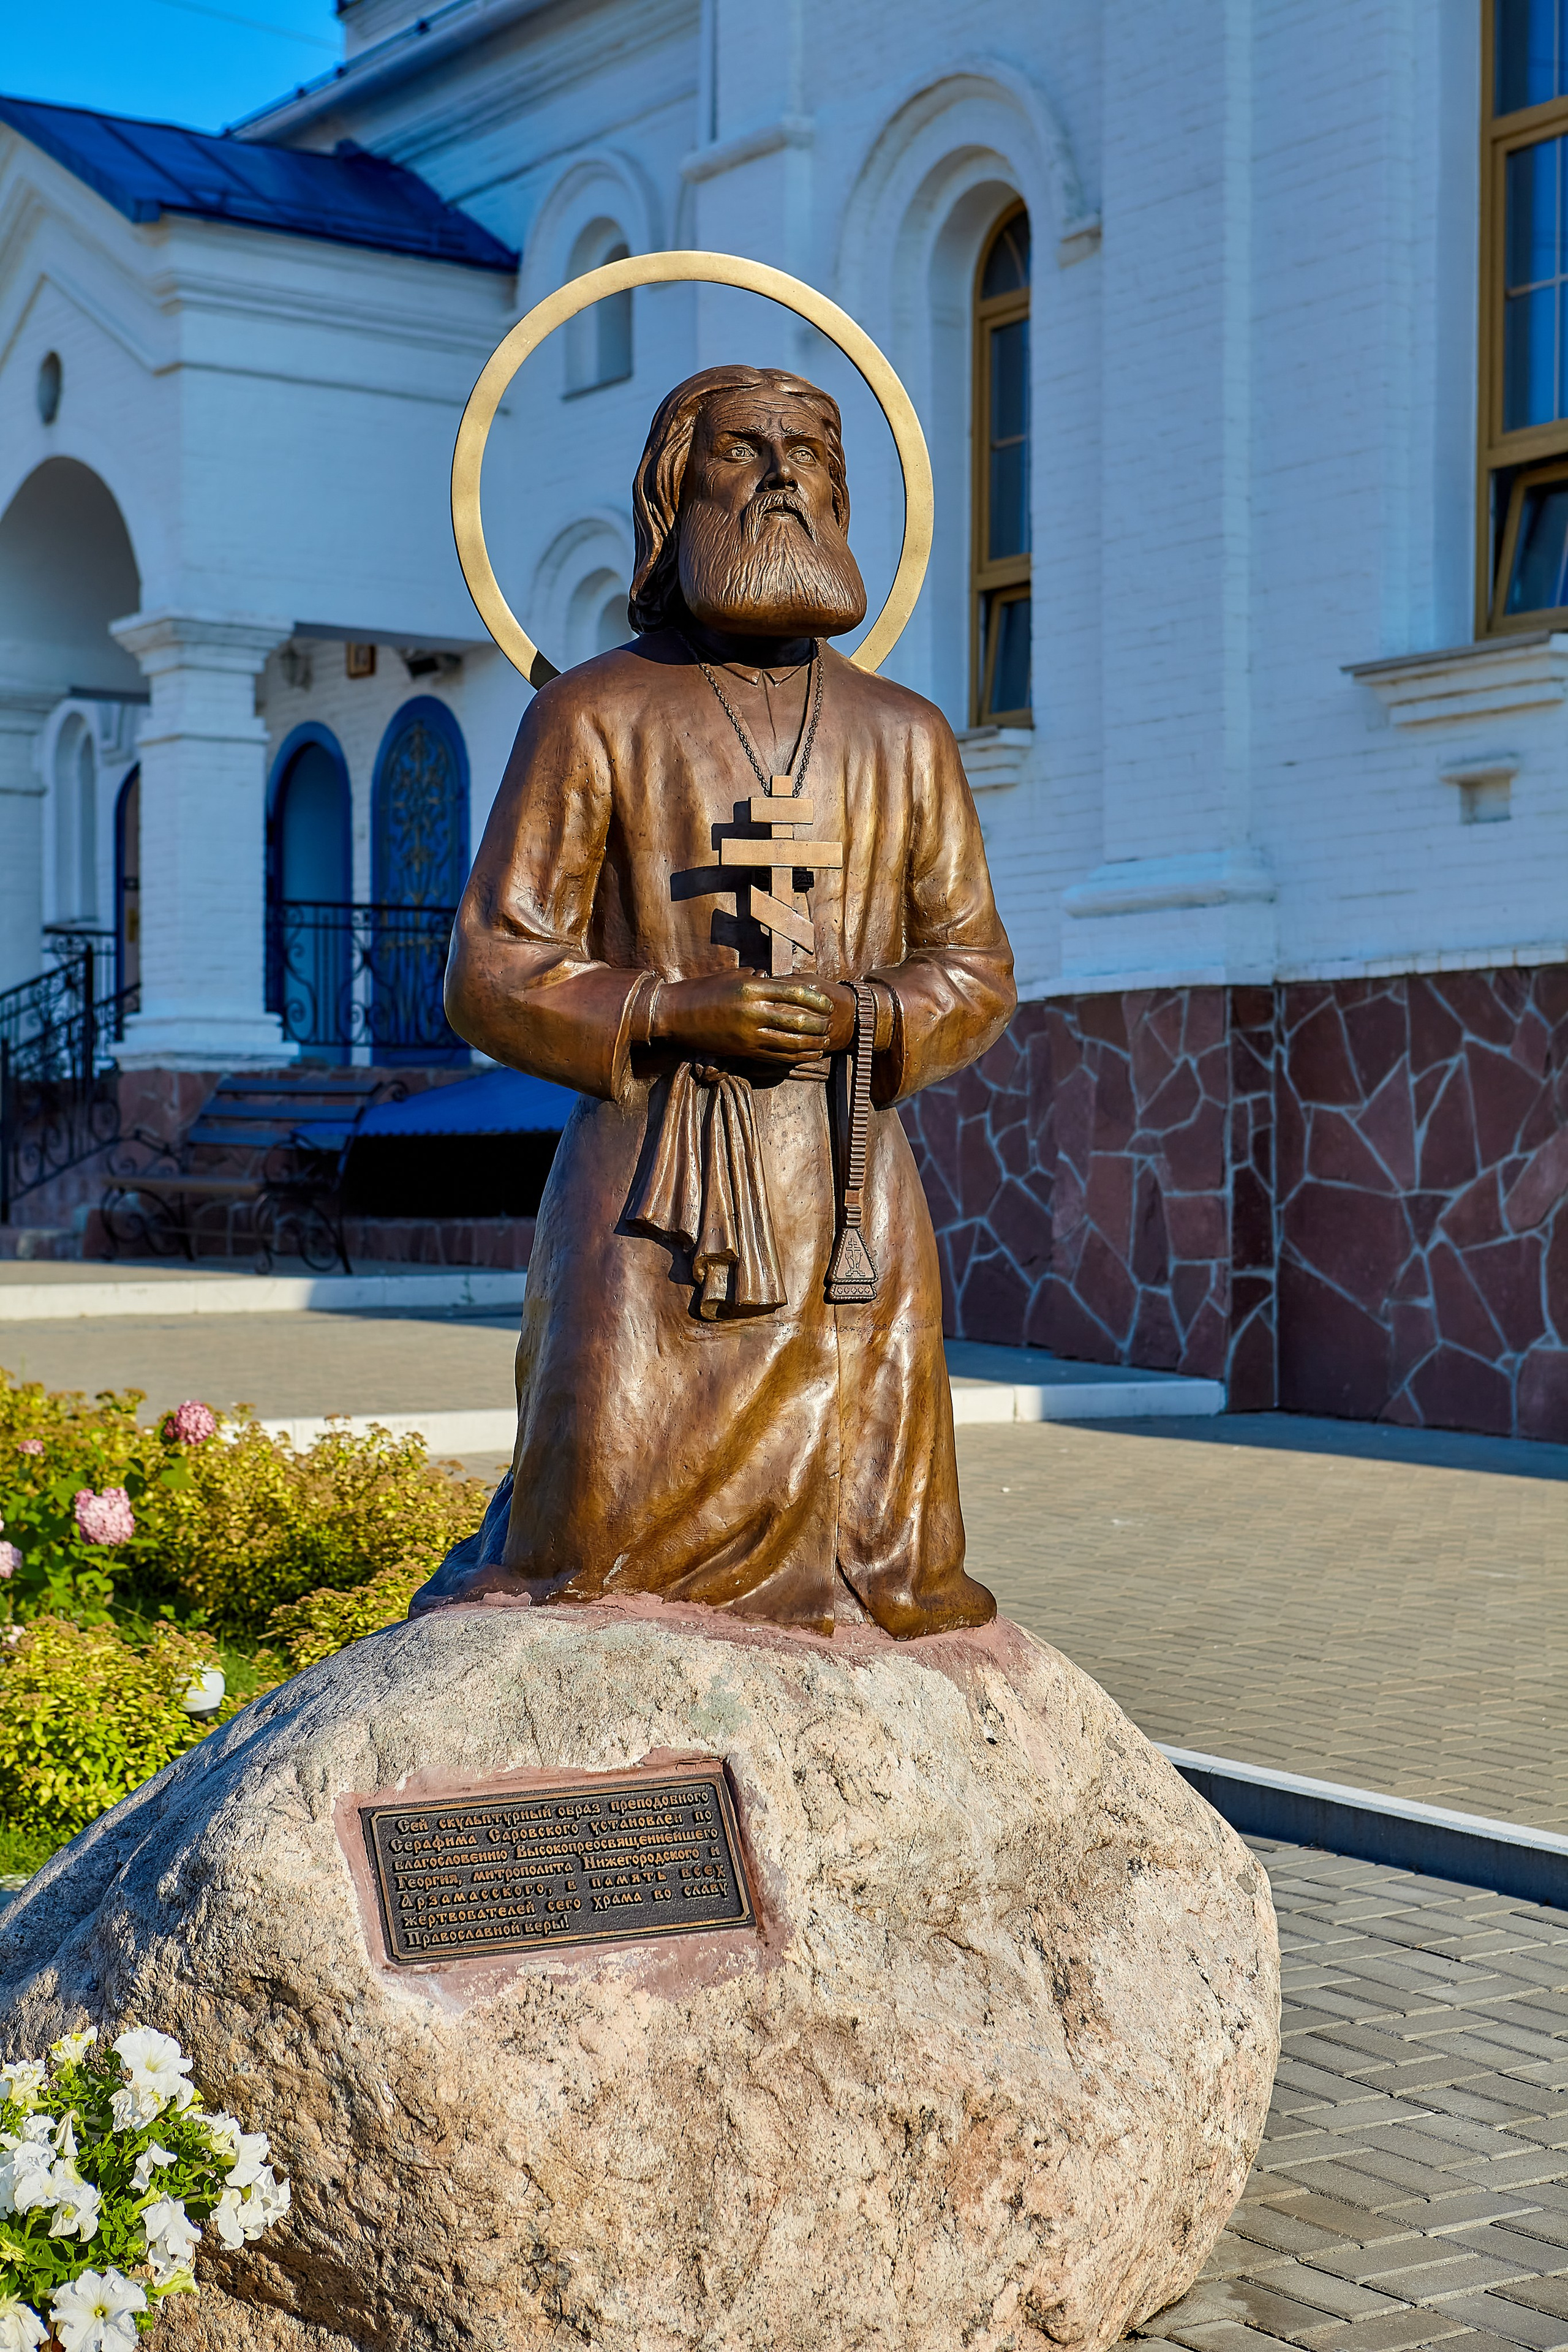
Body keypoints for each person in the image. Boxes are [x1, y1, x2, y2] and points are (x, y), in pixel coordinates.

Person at [411, 363, 1016, 1637]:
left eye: (811, 454)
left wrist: (864, 1015)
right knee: (591, 1518)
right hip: (650, 1194)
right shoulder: (592, 715)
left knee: (867, 1528)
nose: (785, 476)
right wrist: (671, 1012)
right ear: (671, 493)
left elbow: (971, 966)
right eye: (744, 450)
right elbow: (491, 967)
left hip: (840, 1192)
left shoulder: (903, 735)